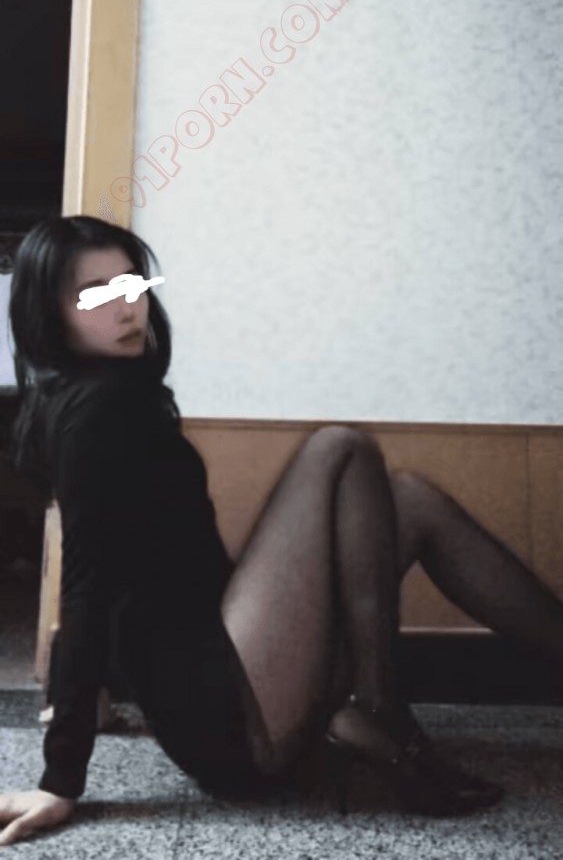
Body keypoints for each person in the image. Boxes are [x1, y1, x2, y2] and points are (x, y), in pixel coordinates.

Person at [1, 216, 562, 848]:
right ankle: (375, 707)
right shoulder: (96, 413)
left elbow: (119, 560)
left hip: (230, 676)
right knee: (339, 448)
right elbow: (87, 584)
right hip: (226, 714)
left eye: (130, 283)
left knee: (411, 499)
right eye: (94, 293)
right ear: (48, 314)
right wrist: (61, 779)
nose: (125, 306)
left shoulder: (104, 395)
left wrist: (96, 692)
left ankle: (374, 706)